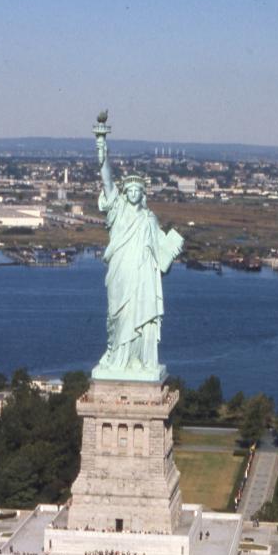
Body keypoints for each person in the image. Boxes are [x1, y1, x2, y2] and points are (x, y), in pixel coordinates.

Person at [93, 125, 183, 377]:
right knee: (117, 315)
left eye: (137, 191)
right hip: (120, 270)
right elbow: (107, 179)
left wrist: (171, 250)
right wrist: (101, 145)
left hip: (141, 274)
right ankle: (116, 357)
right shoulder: (117, 209)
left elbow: (160, 254)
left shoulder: (149, 218)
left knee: (139, 315)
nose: (132, 194)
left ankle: (136, 360)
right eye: (129, 190)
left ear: (142, 194)